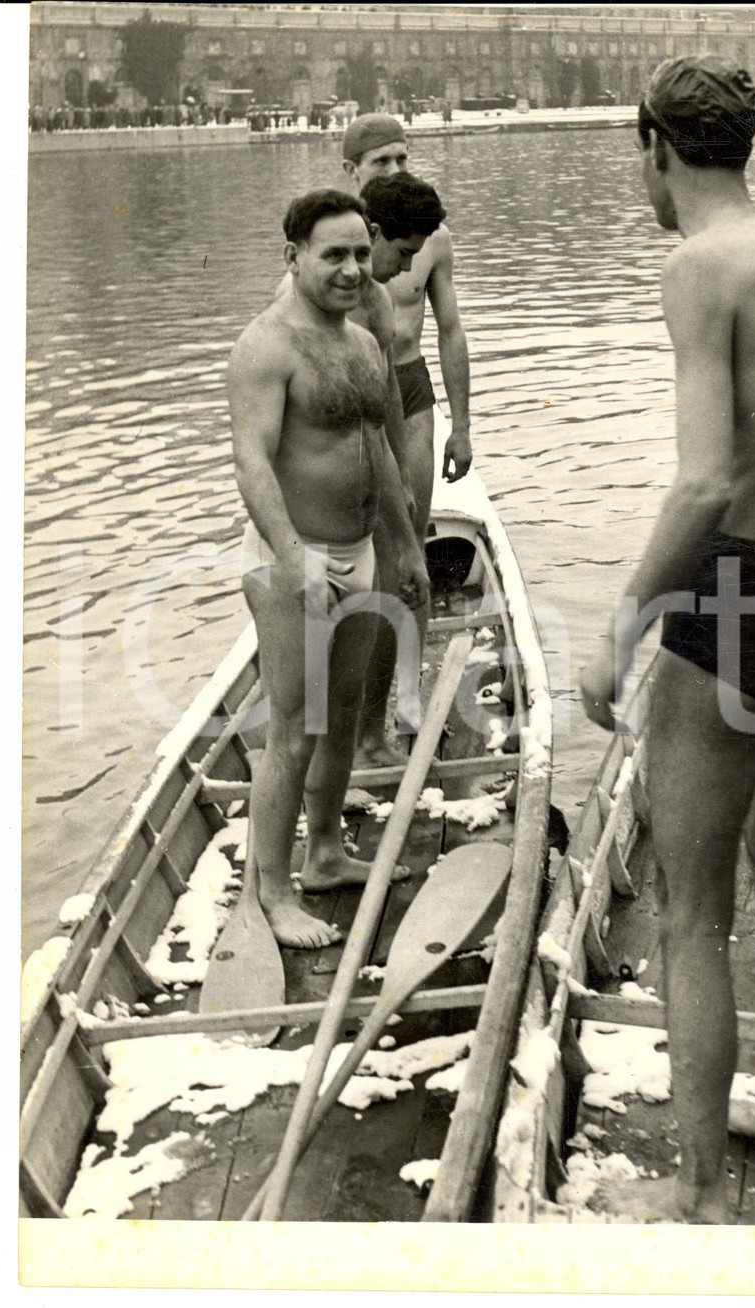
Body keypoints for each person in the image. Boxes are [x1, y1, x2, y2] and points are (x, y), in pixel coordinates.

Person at [579, 55, 755, 1224]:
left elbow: (701, 484)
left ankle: (696, 1194)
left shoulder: (700, 264)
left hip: (739, 583)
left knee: (693, 911)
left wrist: (621, 625)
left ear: (654, 146)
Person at [229, 189, 429, 948]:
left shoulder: (362, 343)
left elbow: (374, 449)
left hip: (361, 550)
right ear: (294, 258)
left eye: (358, 253)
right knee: (294, 730)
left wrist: (406, 545)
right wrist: (291, 559)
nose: (351, 270)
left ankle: (322, 856)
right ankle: (272, 892)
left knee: (341, 716)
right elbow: (252, 463)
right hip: (293, 556)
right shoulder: (266, 346)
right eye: (332, 255)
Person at [341, 113, 473, 754]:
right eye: (380, 163)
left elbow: (449, 329)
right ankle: (355, 707)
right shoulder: (330, 241)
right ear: (352, 173)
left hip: (410, 389)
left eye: (402, 158)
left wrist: (464, 424)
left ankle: (409, 695)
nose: (395, 171)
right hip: (353, 405)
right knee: (363, 550)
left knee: (409, 538)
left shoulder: (431, 235)